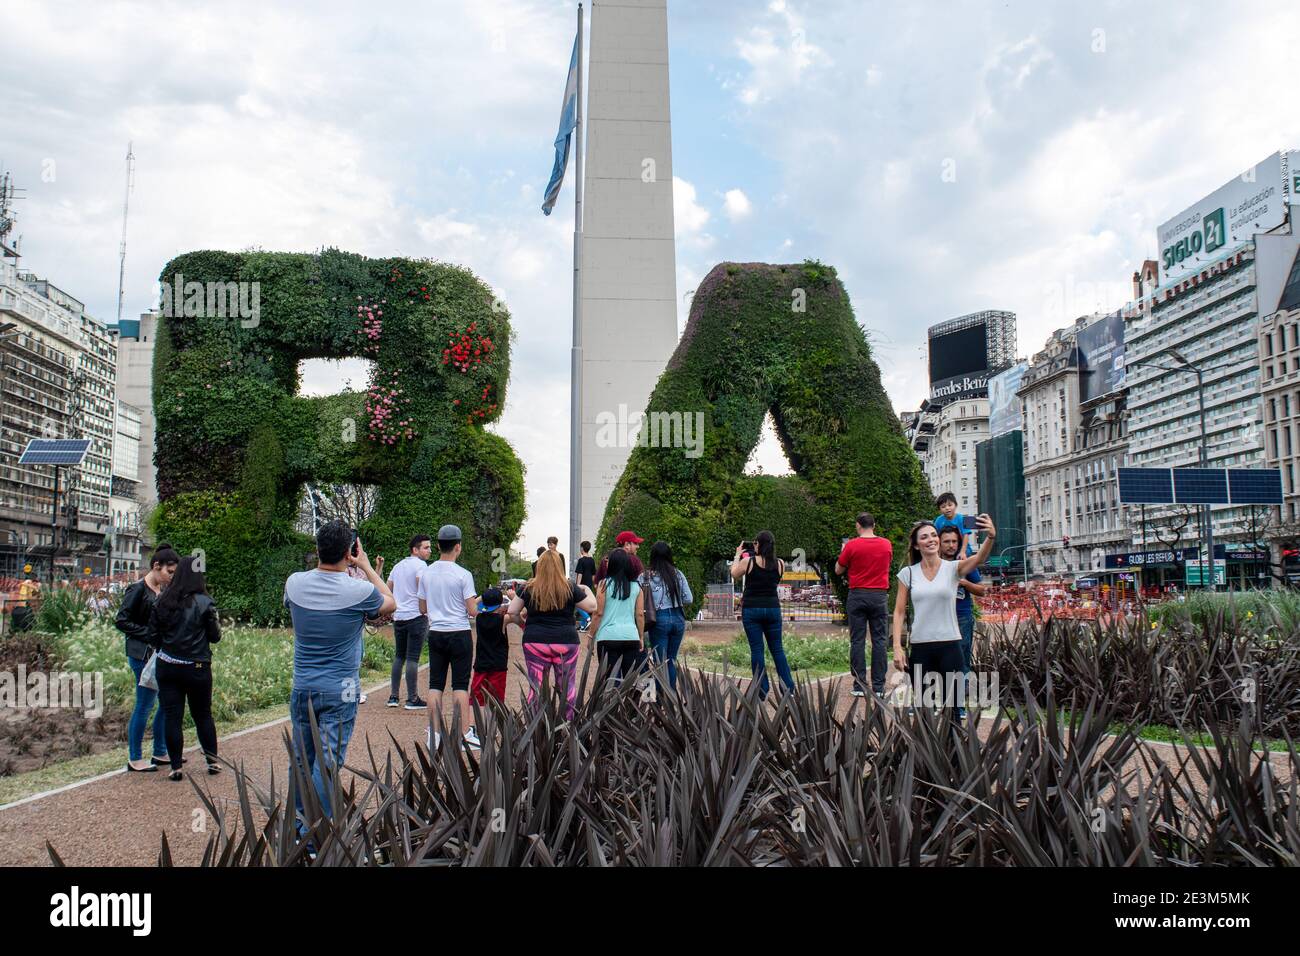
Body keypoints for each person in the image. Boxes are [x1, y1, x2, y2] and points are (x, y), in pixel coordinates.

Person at [285, 522, 395, 821]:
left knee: (301, 759)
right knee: (327, 763)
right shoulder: (358, 591)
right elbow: (390, 603)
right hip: (341, 688)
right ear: (350, 552)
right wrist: (367, 566)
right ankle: (316, 834)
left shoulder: (294, 583)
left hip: (303, 685)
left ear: (317, 549)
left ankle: (298, 826)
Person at [891, 515, 996, 722]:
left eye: (933, 535)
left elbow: (979, 560)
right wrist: (897, 646)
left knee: (953, 711)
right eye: (924, 537)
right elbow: (899, 611)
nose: (931, 539)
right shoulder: (908, 573)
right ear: (916, 544)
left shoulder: (953, 569)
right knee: (924, 710)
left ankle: (955, 753)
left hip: (950, 645)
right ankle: (925, 753)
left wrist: (991, 536)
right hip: (921, 647)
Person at [148, 556, 222, 781]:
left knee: (173, 716)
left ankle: (176, 766)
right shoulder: (204, 602)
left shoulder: (162, 601)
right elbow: (215, 636)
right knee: (202, 715)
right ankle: (212, 761)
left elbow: (152, 636)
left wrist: (167, 649)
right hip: (197, 666)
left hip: (168, 666)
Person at [507, 550, 596, 719]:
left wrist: (523, 626)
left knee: (536, 686)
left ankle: (537, 728)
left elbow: (512, 611)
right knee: (567, 686)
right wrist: (587, 589)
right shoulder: (569, 586)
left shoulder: (528, 587)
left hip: (535, 641)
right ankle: (568, 726)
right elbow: (592, 607)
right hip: (566, 642)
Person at [115, 543, 180, 772]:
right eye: (169, 572)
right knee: (145, 704)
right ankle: (135, 757)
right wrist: (148, 634)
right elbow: (121, 620)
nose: (171, 577)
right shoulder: (137, 590)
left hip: (159, 654)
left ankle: (160, 751)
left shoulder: (162, 591)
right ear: (156, 566)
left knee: (166, 701)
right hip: (141, 654)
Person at [419, 524, 481, 751]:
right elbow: (472, 610)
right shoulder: (463, 574)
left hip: (436, 632)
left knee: (435, 684)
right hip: (459, 633)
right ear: (458, 547)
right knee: (460, 686)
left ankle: (434, 735)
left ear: (437, 546)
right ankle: (464, 734)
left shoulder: (426, 573)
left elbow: (422, 607)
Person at [834, 513, 893, 699]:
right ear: (874, 525)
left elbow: (838, 569)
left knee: (857, 640)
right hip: (879, 595)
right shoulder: (886, 544)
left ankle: (859, 684)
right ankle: (879, 686)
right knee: (880, 640)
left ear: (858, 525)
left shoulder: (851, 545)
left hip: (858, 594)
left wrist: (844, 553)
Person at [730, 531, 795, 699]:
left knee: (757, 650)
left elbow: (734, 574)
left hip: (752, 609)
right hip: (773, 608)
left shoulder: (748, 562)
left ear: (758, 544)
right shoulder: (780, 563)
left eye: (755, 543)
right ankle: (788, 689)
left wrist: (737, 555)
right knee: (777, 649)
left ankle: (762, 690)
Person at [939, 526, 987, 717]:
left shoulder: (965, 564)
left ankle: (957, 707)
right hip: (938, 617)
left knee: (960, 661)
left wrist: (965, 583)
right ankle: (935, 701)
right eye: (946, 542)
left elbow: (982, 590)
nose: (951, 546)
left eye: (954, 542)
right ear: (939, 544)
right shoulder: (934, 564)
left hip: (962, 617)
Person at [386, 534, 431, 710]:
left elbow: (387, 588)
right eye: (426, 547)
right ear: (415, 549)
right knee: (412, 658)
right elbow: (423, 585)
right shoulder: (421, 566)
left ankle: (393, 696)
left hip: (399, 616)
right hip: (416, 616)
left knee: (399, 656)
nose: (429, 550)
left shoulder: (398, 566)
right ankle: (412, 698)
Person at [588, 549, 645, 686]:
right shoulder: (636, 586)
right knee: (632, 680)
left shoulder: (603, 584)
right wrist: (641, 637)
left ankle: (610, 707)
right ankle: (632, 707)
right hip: (631, 636)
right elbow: (640, 614)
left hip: (607, 636)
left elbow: (598, 613)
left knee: (609, 681)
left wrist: (591, 635)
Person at [644, 541, 693, 692]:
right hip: (678, 618)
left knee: (660, 662)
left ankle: (660, 701)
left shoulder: (646, 576)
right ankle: (671, 698)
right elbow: (689, 599)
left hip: (658, 620)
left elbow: (638, 597)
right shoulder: (677, 574)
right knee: (671, 660)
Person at [470, 586, 509, 707]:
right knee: (496, 699)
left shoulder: (479, 618)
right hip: (498, 664)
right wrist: (511, 598)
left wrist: (483, 597)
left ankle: (475, 723)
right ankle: (494, 723)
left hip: (481, 663)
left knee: (476, 698)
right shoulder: (503, 619)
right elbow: (516, 611)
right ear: (500, 603)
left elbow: (470, 607)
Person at [574, 541, 596, 631]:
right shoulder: (592, 560)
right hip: (589, 585)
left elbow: (580, 574)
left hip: (582, 585)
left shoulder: (581, 560)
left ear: (582, 548)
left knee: (578, 604)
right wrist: (594, 585)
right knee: (585, 604)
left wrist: (577, 586)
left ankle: (587, 618)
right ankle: (583, 626)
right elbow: (593, 575)